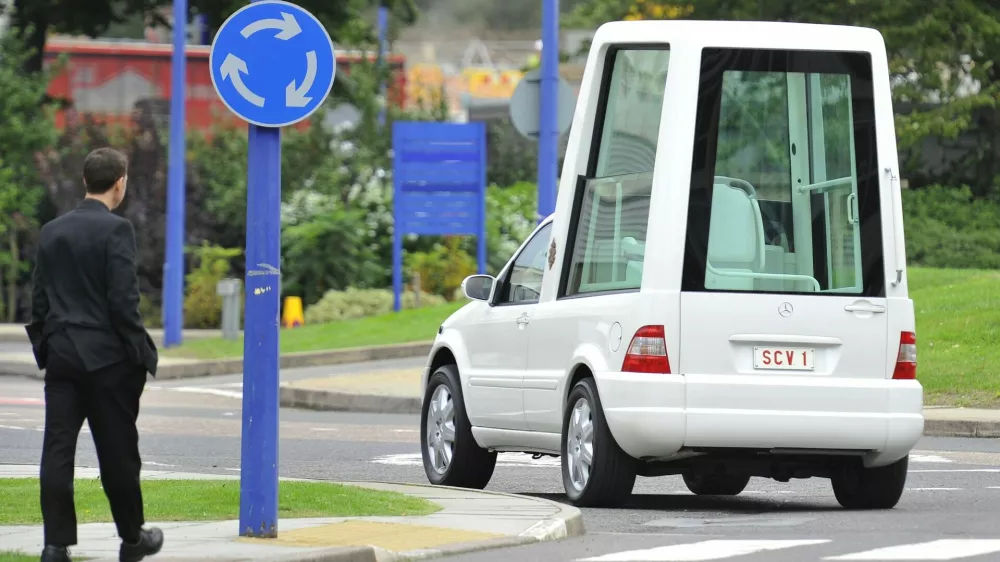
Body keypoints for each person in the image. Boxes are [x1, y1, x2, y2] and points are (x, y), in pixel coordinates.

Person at [26, 147, 164, 562]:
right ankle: (132, 538)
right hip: (108, 362)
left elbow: (39, 301)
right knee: (118, 451)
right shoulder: (117, 230)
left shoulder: (52, 230)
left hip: (64, 357)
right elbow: (124, 301)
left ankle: (55, 545)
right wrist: (141, 353)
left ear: (86, 181)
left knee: (57, 451)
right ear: (119, 183)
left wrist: (46, 350)